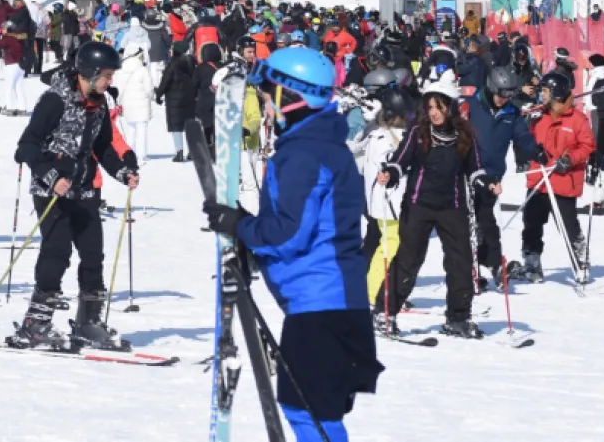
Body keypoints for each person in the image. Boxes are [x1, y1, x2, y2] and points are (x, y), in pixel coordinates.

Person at [203, 46, 383, 441]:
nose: (266, 107)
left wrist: (242, 226)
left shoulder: (302, 154)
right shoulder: (323, 147)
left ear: (291, 95)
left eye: (268, 97)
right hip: (332, 300)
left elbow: (288, 235)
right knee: (311, 410)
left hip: (322, 303)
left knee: (310, 413)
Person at [10, 41, 140, 350]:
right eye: (106, 76)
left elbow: (103, 147)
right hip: (52, 191)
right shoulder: (54, 100)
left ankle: (88, 322)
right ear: (90, 72)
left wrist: (122, 172)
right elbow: (26, 147)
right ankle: (36, 323)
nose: (110, 82)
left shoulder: (99, 103)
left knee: (93, 253)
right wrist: (52, 176)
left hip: (84, 189)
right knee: (57, 254)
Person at [377, 71, 490, 338]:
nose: (434, 113)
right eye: (429, 107)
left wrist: (488, 183)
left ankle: (458, 317)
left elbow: (476, 169)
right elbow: (400, 161)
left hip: (452, 205)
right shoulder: (418, 131)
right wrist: (390, 174)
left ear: (450, 107)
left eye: (439, 107)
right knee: (409, 259)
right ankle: (384, 312)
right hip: (418, 204)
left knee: (461, 261)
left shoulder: (465, 134)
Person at [510, 72, 596, 283]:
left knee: (568, 225)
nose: (543, 95)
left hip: (563, 180)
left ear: (556, 92)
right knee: (531, 223)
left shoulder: (577, 120)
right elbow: (525, 137)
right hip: (539, 180)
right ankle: (532, 265)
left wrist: (570, 159)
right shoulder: (539, 115)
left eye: (546, 91)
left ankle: (581, 264)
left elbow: (588, 146)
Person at [464, 66, 539, 288]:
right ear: (490, 88)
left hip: (492, 176)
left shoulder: (511, 114)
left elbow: (523, 138)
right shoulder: (471, 106)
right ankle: (469, 269)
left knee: (487, 222)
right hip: (467, 172)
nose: (502, 101)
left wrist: (537, 152)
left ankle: (495, 265)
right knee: (467, 224)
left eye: (507, 97)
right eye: (499, 96)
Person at [362, 85, 410, 306]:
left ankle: (384, 289)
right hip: (388, 202)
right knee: (390, 246)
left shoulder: (379, 135)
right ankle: (375, 292)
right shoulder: (386, 139)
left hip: (387, 201)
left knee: (391, 245)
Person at [156, 40, 197, 162]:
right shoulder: (192, 63)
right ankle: (192, 151)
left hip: (174, 100)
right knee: (189, 126)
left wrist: (159, 94)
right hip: (189, 98)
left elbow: (165, 81)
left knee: (176, 127)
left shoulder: (172, 64)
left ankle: (179, 152)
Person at [116, 44, 154, 166]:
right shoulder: (142, 70)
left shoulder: (121, 69)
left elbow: (119, 88)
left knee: (130, 129)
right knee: (142, 129)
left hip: (127, 103)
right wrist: (150, 97)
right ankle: (141, 156)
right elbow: (149, 88)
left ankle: (128, 153)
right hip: (142, 103)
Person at [193, 43, 224, 154]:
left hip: (205, 102)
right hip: (221, 100)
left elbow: (194, 85)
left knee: (207, 127)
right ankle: (218, 150)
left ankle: (208, 150)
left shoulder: (200, 69)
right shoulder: (223, 67)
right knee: (218, 128)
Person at [0, 21, 28, 113]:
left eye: (4, 28)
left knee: (9, 87)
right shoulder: (19, 36)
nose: (2, 30)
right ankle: (22, 108)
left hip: (11, 64)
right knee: (19, 87)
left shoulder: (8, 38)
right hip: (20, 65)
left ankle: (9, 107)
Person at [141, 8, 171, 85]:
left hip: (149, 51)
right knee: (160, 70)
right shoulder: (161, 26)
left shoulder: (143, 26)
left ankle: (154, 86)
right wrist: (168, 45)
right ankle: (160, 86)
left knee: (151, 70)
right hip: (160, 51)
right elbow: (166, 38)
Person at [583, 54, 604, 133]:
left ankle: (599, 145)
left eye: (590, 62)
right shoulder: (598, 72)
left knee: (597, 130)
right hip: (596, 105)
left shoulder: (600, 74)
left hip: (597, 106)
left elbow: (599, 89)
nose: (589, 64)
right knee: (596, 129)